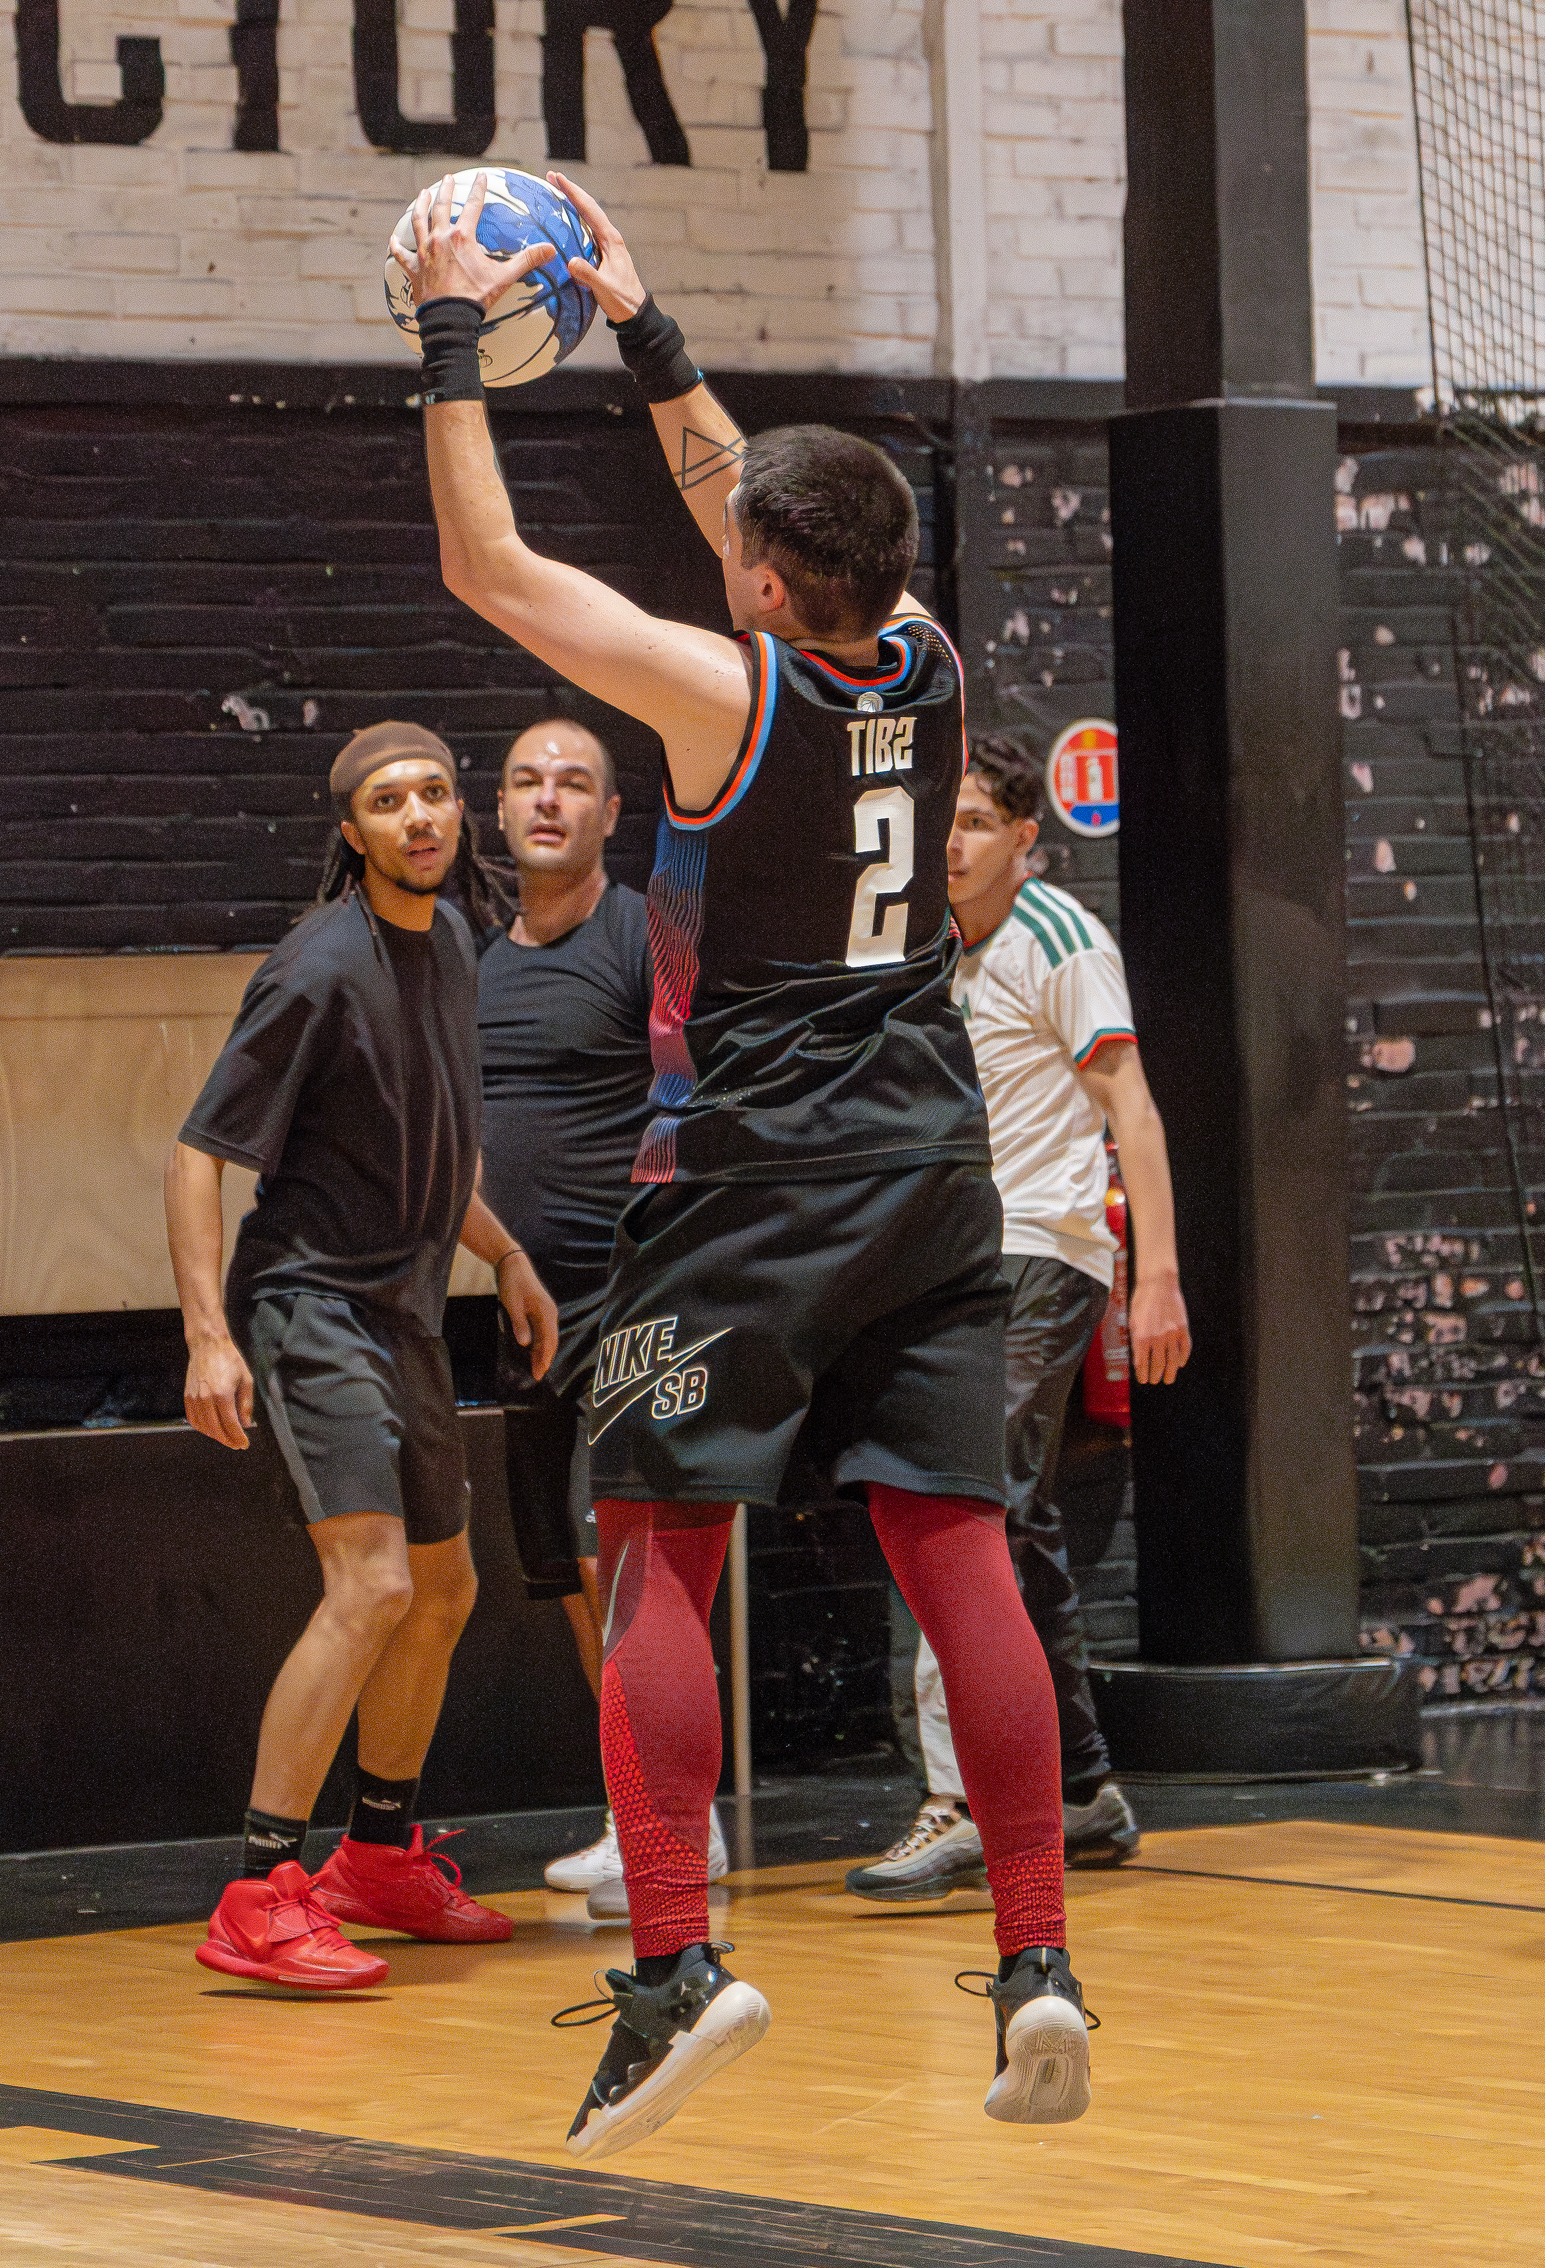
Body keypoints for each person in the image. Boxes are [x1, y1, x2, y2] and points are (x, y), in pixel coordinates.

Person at [394, 171, 1095, 2157]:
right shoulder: (932, 660)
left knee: (650, 1554)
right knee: (959, 1556)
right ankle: (1038, 1959)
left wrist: (458, 329)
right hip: (935, 1181)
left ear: (767, 588)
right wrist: (648, 329)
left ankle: (677, 1969)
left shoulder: (726, 696)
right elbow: (758, 514)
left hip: (743, 1193)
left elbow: (492, 568)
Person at [165, 723, 557, 1991]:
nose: (421, 817)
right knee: (373, 1586)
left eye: (437, 793)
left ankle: (376, 1860)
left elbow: (431, 1146)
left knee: (443, 1593)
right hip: (307, 1306)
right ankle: (257, 1889)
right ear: (353, 831)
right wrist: (208, 1337)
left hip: (407, 1312)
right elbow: (196, 1154)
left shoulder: (450, 941)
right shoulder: (316, 967)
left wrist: (500, 1254)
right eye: (390, 802)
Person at [846, 734, 1191, 1902]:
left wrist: (1158, 1279)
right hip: (955, 1260)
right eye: (942, 816)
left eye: (980, 821)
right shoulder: (925, 947)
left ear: (1025, 840)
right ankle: (1083, 1786)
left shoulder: (1060, 942)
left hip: (1041, 1249)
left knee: (958, 1506)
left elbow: (1131, 1109)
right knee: (1017, 1527)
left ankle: (958, 1798)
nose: (953, 841)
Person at [475, 714, 729, 1909]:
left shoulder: (647, 935)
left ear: (612, 816)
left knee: (620, 1559)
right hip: (520, 1315)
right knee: (566, 1574)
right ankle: (646, 1810)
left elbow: (709, 1093)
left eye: (573, 783)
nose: (547, 800)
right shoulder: (477, 960)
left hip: (636, 1302)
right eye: (527, 781)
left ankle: (677, 1824)